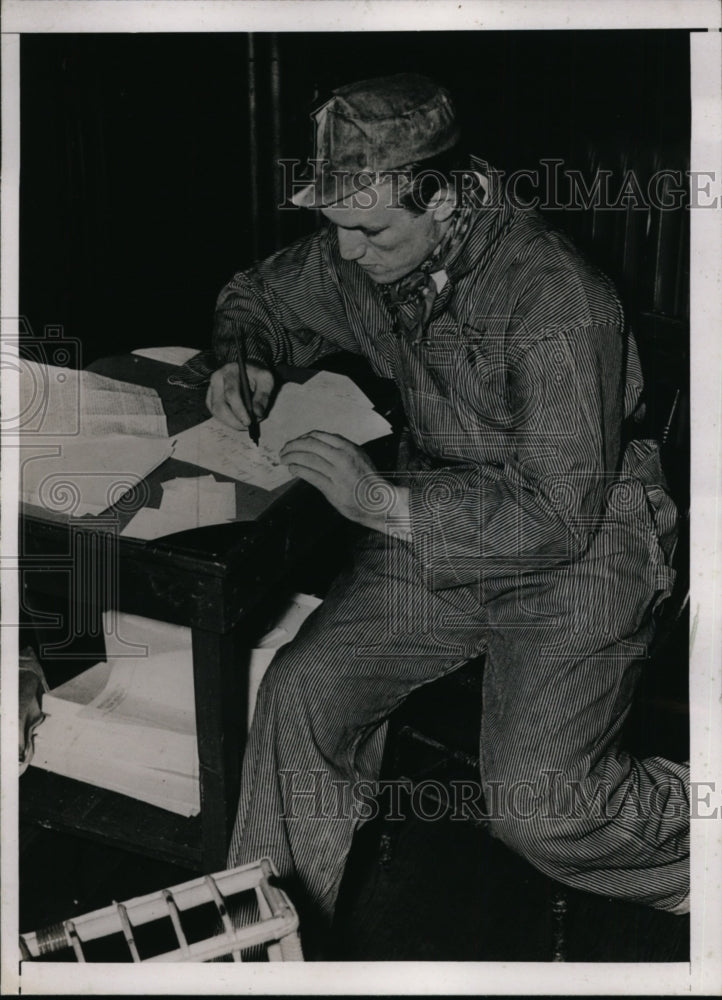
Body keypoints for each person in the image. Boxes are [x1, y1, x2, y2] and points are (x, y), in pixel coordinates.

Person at [202, 73, 690, 945]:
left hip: (586, 532)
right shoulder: (371, 245)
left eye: (370, 230)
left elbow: (555, 515)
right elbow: (261, 293)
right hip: (432, 503)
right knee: (299, 695)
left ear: (444, 197)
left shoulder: (556, 294)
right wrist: (247, 357)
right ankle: (262, 949)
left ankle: (699, 842)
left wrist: (380, 503)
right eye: (336, 226)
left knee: (540, 807)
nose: (347, 253)